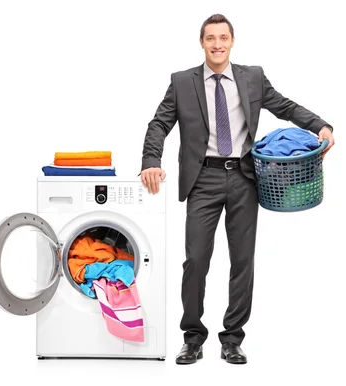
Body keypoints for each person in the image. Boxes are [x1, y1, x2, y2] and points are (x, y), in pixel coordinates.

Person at [140, 13, 335, 365]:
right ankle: (193, 337)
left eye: (223, 38)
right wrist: (151, 160)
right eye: (210, 38)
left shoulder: (253, 78)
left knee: (242, 260)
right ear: (201, 43)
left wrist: (320, 125)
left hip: (245, 177)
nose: (217, 44)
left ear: (232, 42)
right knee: (196, 260)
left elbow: (285, 106)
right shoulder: (183, 82)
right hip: (203, 178)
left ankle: (232, 338)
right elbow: (159, 123)